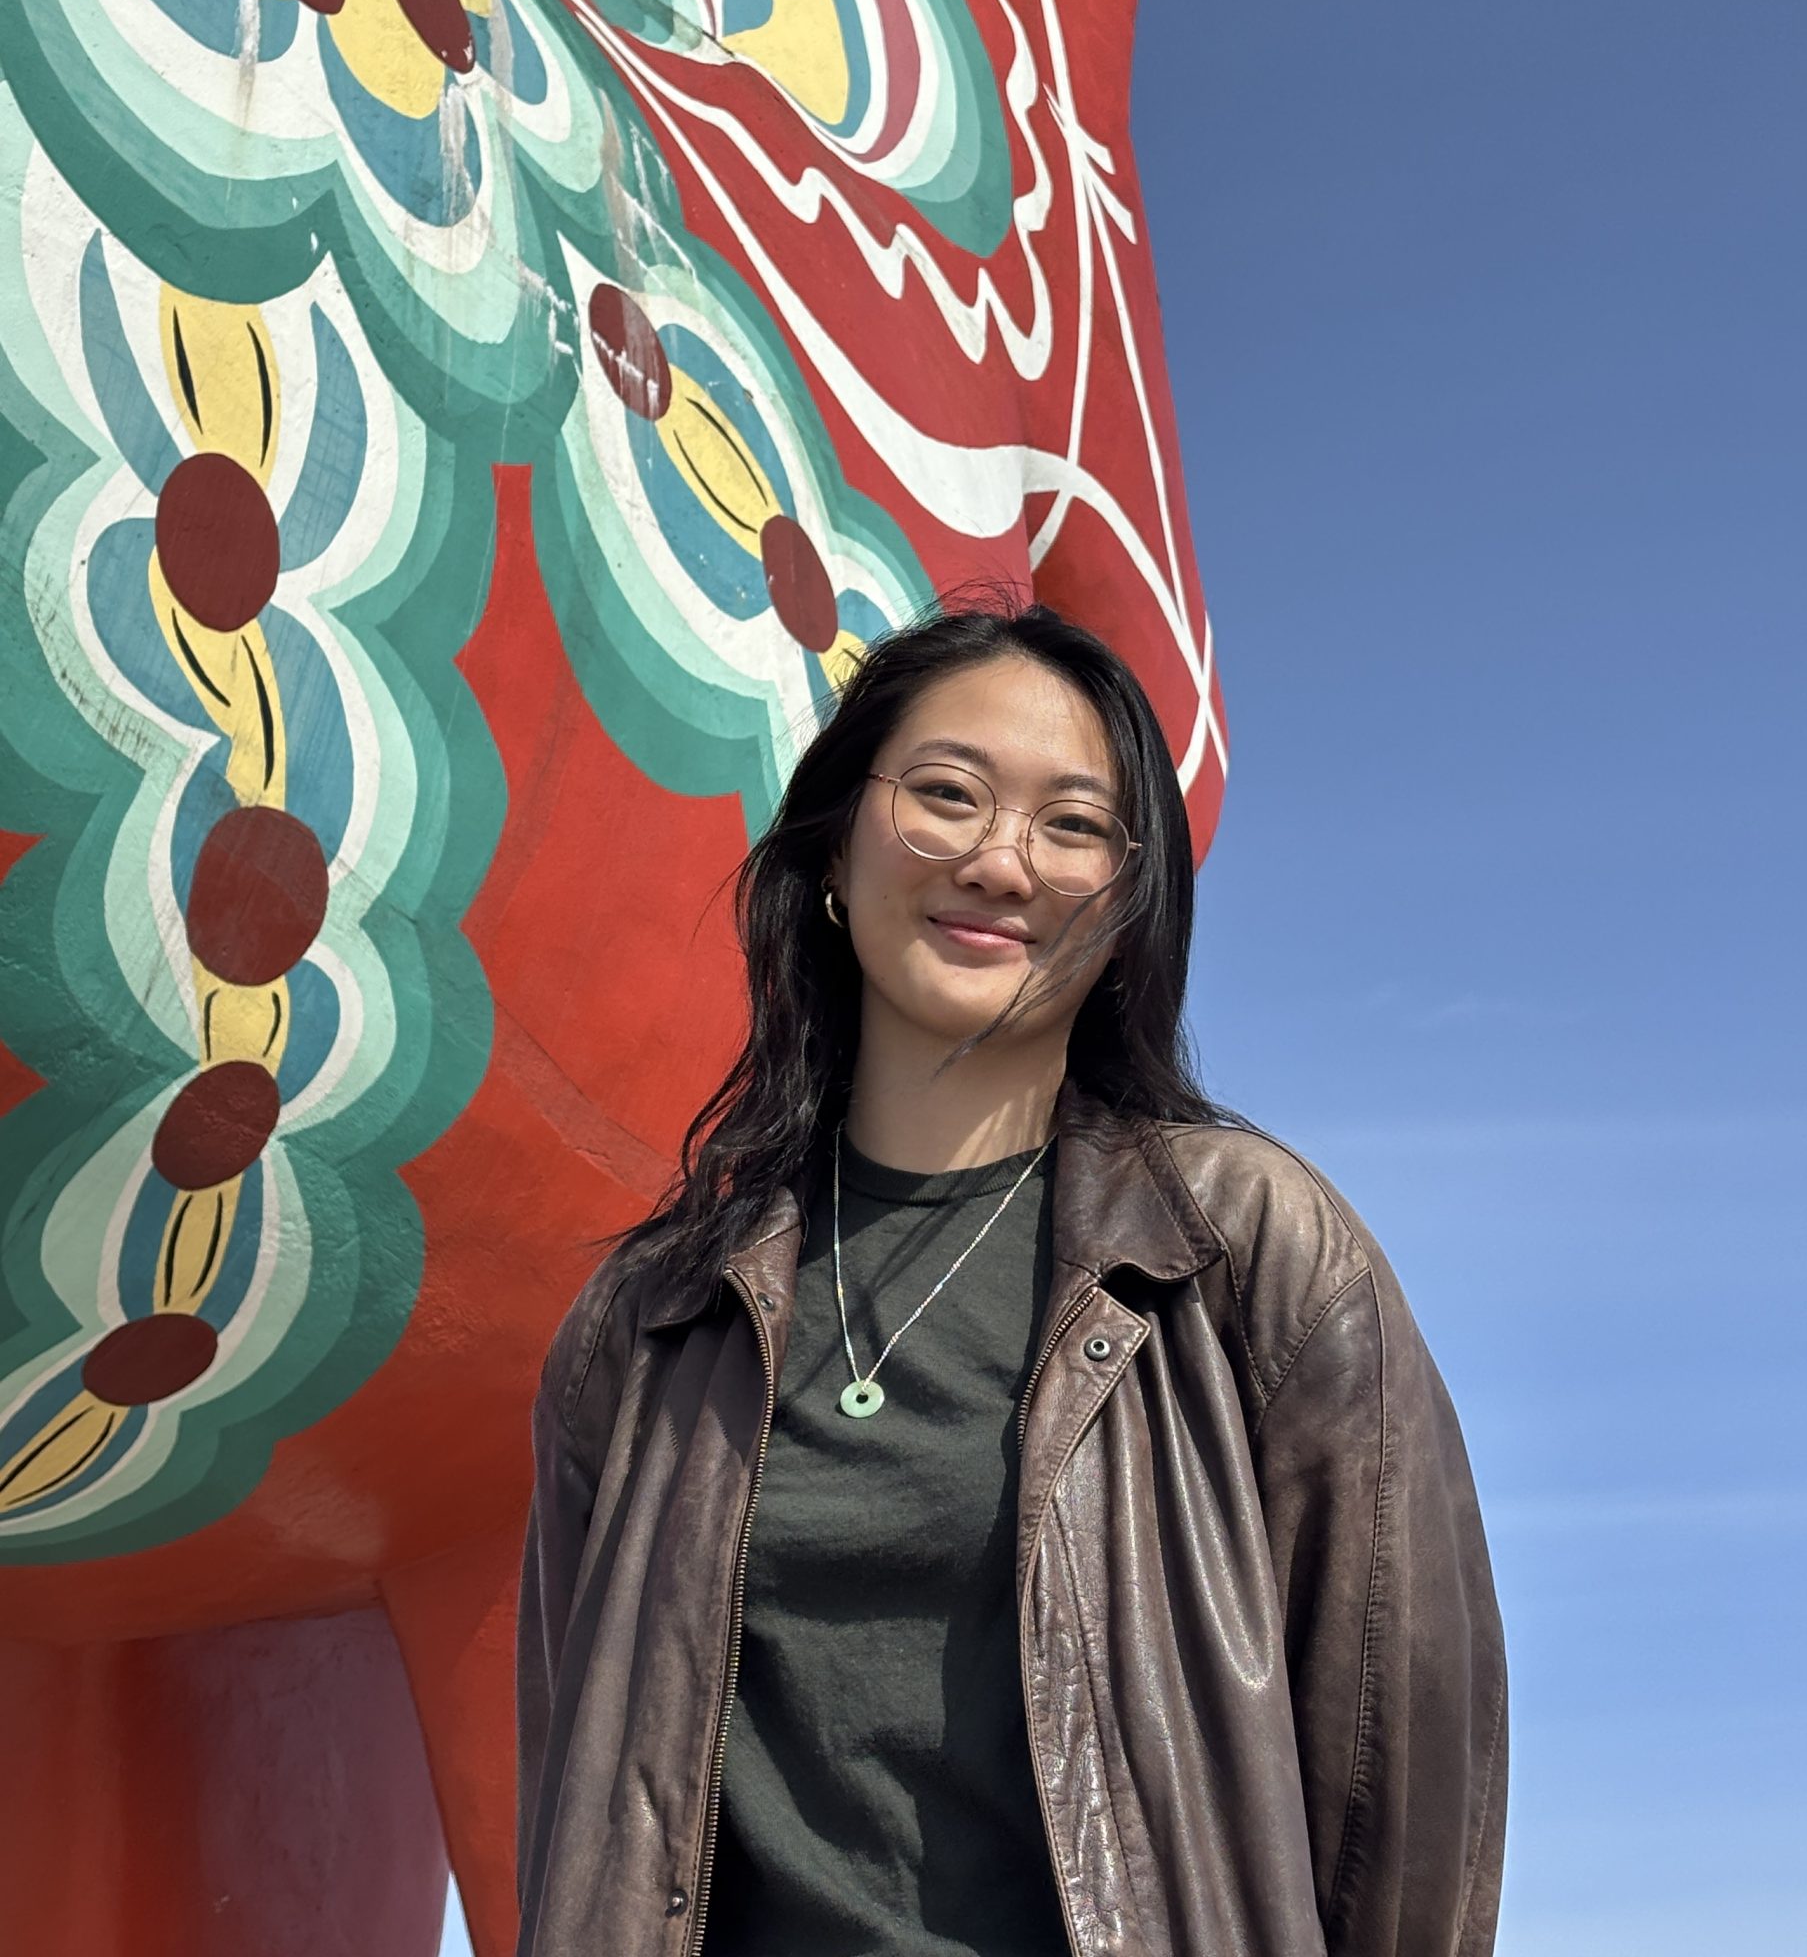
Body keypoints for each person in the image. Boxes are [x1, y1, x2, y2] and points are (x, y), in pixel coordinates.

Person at [514, 601, 1506, 1957]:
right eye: (947, 795)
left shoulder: (1248, 1254)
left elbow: (1404, 1771)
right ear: (832, 851)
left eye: (1073, 825)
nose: (999, 860)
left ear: (1127, 904)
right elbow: (582, 1808)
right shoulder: (647, 1323)